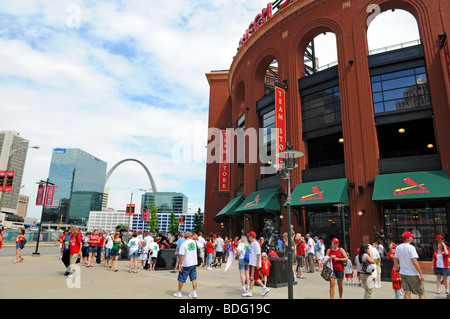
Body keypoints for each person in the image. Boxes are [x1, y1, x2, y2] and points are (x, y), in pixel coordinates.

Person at [393, 231, 426, 299]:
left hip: (403, 273)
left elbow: (395, 260)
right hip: (412, 273)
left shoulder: (398, 247)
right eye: (411, 236)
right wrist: (421, 274)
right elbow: (415, 262)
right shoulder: (411, 247)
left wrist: (397, 269)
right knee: (421, 293)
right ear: (408, 238)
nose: (412, 237)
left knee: (407, 293)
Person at [242, 231, 270, 297]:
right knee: (256, 278)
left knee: (252, 278)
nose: (248, 237)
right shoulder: (253, 243)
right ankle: (265, 288)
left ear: (251, 236)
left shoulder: (256, 244)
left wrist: (258, 264)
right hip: (253, 263)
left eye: (249, 236)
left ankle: (249, 291)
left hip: (254, 264)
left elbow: (258, 254)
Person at [173, 231, 199, 298]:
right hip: (194, 263)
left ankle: (179, 292)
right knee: (194, 278)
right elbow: (201, 246)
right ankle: (194, 292)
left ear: (184, 237)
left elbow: (182, 255)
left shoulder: (184, 244)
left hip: (186, 263)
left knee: (181, 278)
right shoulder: (194, 242)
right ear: (190, 236)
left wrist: (180, 264)